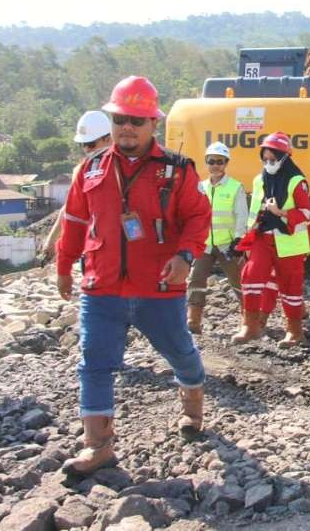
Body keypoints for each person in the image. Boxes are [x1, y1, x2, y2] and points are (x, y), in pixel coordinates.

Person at [56, 76, 211, 476]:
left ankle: (193, 403)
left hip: (159, 287)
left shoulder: (177, 170)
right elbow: (74, 220)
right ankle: (97, 446)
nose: (127, 127)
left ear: (153, 125)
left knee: (179, 352)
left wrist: (185, 255)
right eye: (121, 118)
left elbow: (198, 216)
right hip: (102, 286)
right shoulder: (89, 169)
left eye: (137, 121)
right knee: (94, 362)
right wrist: (63, 266)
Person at [236, 132, 310, 347]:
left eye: (273, 159)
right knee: (251, 276)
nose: (269, 163)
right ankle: (250, 326)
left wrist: (281, 212)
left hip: (289, 242)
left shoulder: (297, 181)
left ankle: (294, 331)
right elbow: (254, 212)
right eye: (265, 159)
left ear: (285, 157)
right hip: (262, 238)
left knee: (290, 286)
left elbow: (306, 214)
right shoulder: (258, 180)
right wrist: (248, 241)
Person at [186, 141, 247, 335]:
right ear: (206, 162)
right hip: (205, 245)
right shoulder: (200, 187)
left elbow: (241, 216)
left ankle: (248, 320)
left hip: (227, 245)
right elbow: (193, 215)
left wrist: (238, 241)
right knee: (196, 280)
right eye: (211, 161)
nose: (215, 165)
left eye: (220, 161)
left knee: (238, 281)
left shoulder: (235, 187)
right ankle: (193, 321)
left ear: (226, 163)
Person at [39, 111, 114, 263]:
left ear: (109, 139)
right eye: (83, 144)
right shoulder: (81, 171)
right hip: (95, 248)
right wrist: (52, 240)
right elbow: (69, 208)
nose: (87, 149)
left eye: (91, 144)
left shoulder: (127, 166)